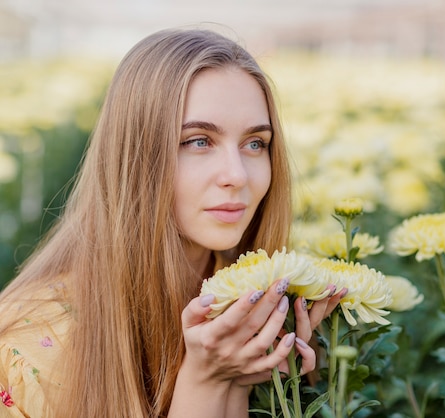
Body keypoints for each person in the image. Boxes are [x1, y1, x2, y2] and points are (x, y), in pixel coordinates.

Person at [0, 27, 342, 418]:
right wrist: (207, 382)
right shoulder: (26, 348)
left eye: (254, 144)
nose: (237, 175)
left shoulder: (275, 308)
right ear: (137, 155)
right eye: (198, 141)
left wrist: (282, 389)